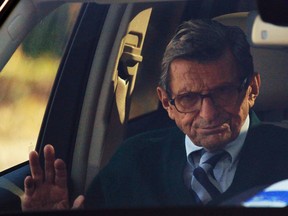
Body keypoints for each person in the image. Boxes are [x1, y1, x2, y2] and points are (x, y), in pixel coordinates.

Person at [21, 19, 288, 211]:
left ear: (252, 89)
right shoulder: (132, 161)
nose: (208, 113)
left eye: (224, 92)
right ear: (167, 102)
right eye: (188, 98)